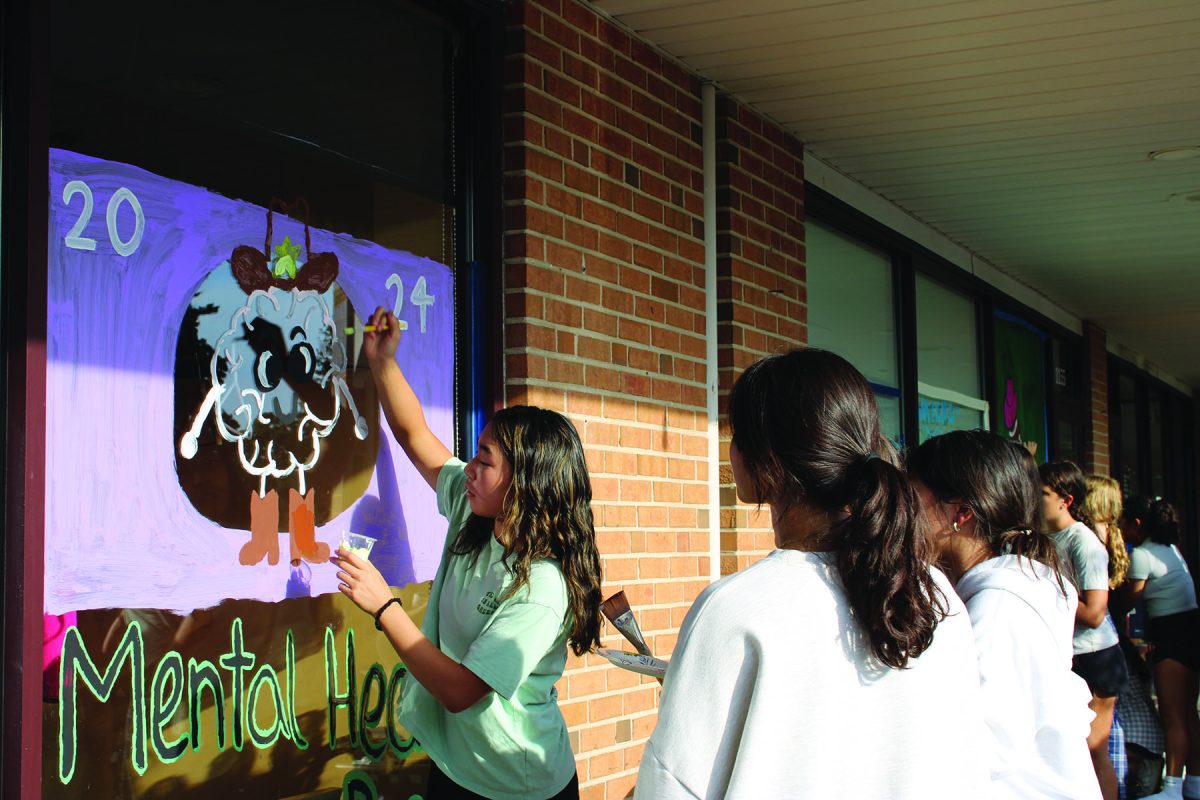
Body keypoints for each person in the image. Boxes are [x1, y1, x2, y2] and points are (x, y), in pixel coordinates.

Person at [634, 349, 989, 799]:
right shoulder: (935, 594)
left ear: (764, 462)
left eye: (737, 433)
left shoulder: (734, 610)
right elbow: (969, 768)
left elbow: (673, 789)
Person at [334, 307, 602, 800]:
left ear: (523, 484)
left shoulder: (542, 586)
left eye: (484, 460)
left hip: (514, 786)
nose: (470, 469)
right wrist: (382, 362)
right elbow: (417, 440)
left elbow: (460, 691)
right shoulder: (473, 513)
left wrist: (384, 606)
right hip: (456, 768)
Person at [909, 431, 1099, 799]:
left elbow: (985, 746)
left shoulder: (998, 606)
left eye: (911, 497)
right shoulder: (1020, 584)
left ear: (960, 513)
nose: (902, 512)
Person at [1041, 461, 1130, 800]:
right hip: (1066, 655)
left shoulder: (1084, 542)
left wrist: (1048, 589)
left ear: (1066, 499)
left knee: (1092, 751)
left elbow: (1095, 613)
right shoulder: (1046, 538)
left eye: (1044, 493)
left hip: (1097, 657)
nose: (1037, 499)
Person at [1118, 498, 1200, 800]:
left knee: (1172, 715)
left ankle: (1173, 788)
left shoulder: (1142, 554)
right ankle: (1194, 783)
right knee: (1189, 714)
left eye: (1123, 523)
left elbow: (1127, 601)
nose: (1120, 529)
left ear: (1136, 525)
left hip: (1172, 633)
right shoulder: (1170, 550)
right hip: (1190, 628)